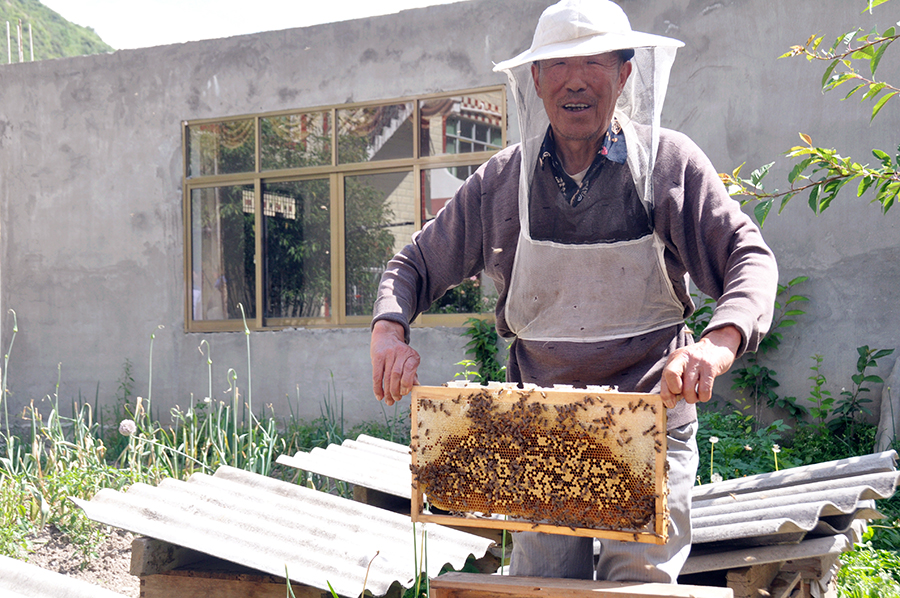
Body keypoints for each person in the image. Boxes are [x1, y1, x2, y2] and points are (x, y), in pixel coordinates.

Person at [370, 0, 777, 584]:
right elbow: (412, 263)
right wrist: (389, 330)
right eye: (559, 64)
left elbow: (749, 258)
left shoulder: (668, 165)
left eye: (595, 63)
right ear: (536, 79)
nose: (576, 80)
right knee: (542, 591)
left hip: (649, 422)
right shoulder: (501, 183)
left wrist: (716, 345)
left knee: (636, 590)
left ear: (625, 74)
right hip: (542, 428)